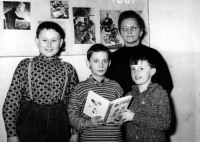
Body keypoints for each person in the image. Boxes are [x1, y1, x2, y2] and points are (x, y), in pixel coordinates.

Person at [2, 21, 79, 142]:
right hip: (30, 124)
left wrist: (75, 132)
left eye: (54, 40)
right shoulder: (25, 65)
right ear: (37, 41)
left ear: (61, 42)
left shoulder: (68, 69)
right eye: (44, 40)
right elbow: (11, 102)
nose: (49, 44)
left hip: (59, 125)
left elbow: (74, 103)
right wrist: (11, 134)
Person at [106, 10, 173, 95]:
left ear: (141, 32)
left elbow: (166, 84)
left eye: (133, 28)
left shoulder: (153, 54)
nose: (129, 32)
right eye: (125, 28)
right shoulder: (113, 57)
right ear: (120, 33)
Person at [68, 44, 124, 142]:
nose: (101, 65)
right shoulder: (80, 88)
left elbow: (123, 113)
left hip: (114, 139)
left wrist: (122, 120)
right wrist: (87, 123)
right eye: (96, 61)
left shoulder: (116, 87)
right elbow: (71, 115)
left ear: (109, 63)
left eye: (104, 61)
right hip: (89, 139)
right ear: (88, 63)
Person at [122, 51, 171, 142]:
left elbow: (165, 123)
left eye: (141, 68)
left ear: (152, 71)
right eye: (133, 69)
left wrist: (134, 117)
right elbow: (126, 122)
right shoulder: (129, 95)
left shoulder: (160, 93)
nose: (136, 72)